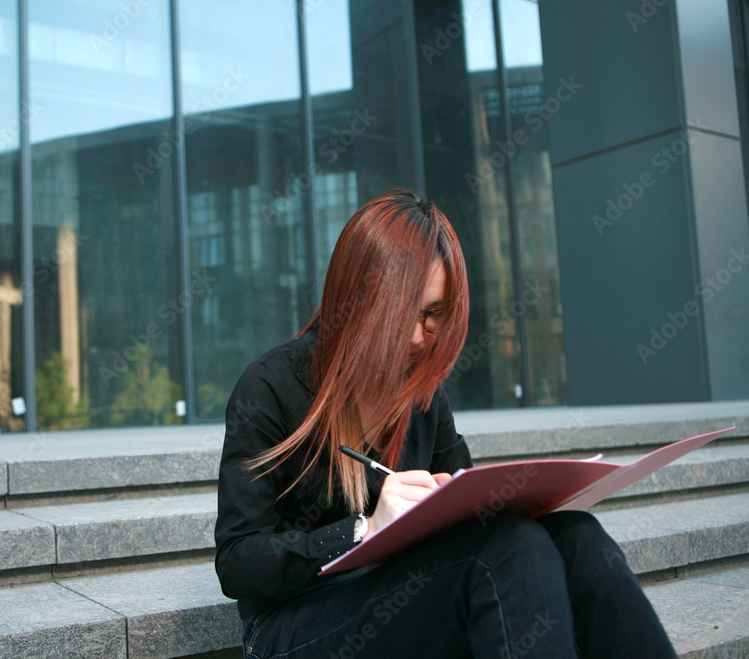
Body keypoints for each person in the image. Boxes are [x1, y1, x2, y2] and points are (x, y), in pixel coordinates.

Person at [214, 188, 676, 658]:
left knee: (577, 535)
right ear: (357, 299)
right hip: (294, 623)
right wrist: (364, 529)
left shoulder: (424, 396)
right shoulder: (270, 386)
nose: (417, 337)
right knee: (511, 550)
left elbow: (472, 512)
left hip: (403, 594)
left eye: (434, 315)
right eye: (403, 316)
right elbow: (237, 563)